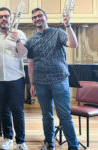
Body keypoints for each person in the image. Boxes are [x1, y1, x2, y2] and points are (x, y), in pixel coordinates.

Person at [26, 8, 79, 150]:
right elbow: (31, 64)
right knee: (46, 115)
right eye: (34, 17)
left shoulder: (58, 32)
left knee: (64, 115)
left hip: (59, 80)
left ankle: (73, 146)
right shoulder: (31, 40)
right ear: (33, 21)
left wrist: (67, 25)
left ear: (46, 17)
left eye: (39, 16)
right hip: (40, 82)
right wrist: (31, 84)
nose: (37, 19)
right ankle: (49, 143)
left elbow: (73, 44)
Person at [0, 7, 29, 150]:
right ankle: (7, 138)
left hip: (16, 78)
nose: (4, 19)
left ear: (11, 18)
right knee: (3, 110)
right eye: (1, 17)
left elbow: (23, 53)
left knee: (17, 110)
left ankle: (21, 141)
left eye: (6, 16)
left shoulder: (20, 33)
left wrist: (17, 40)